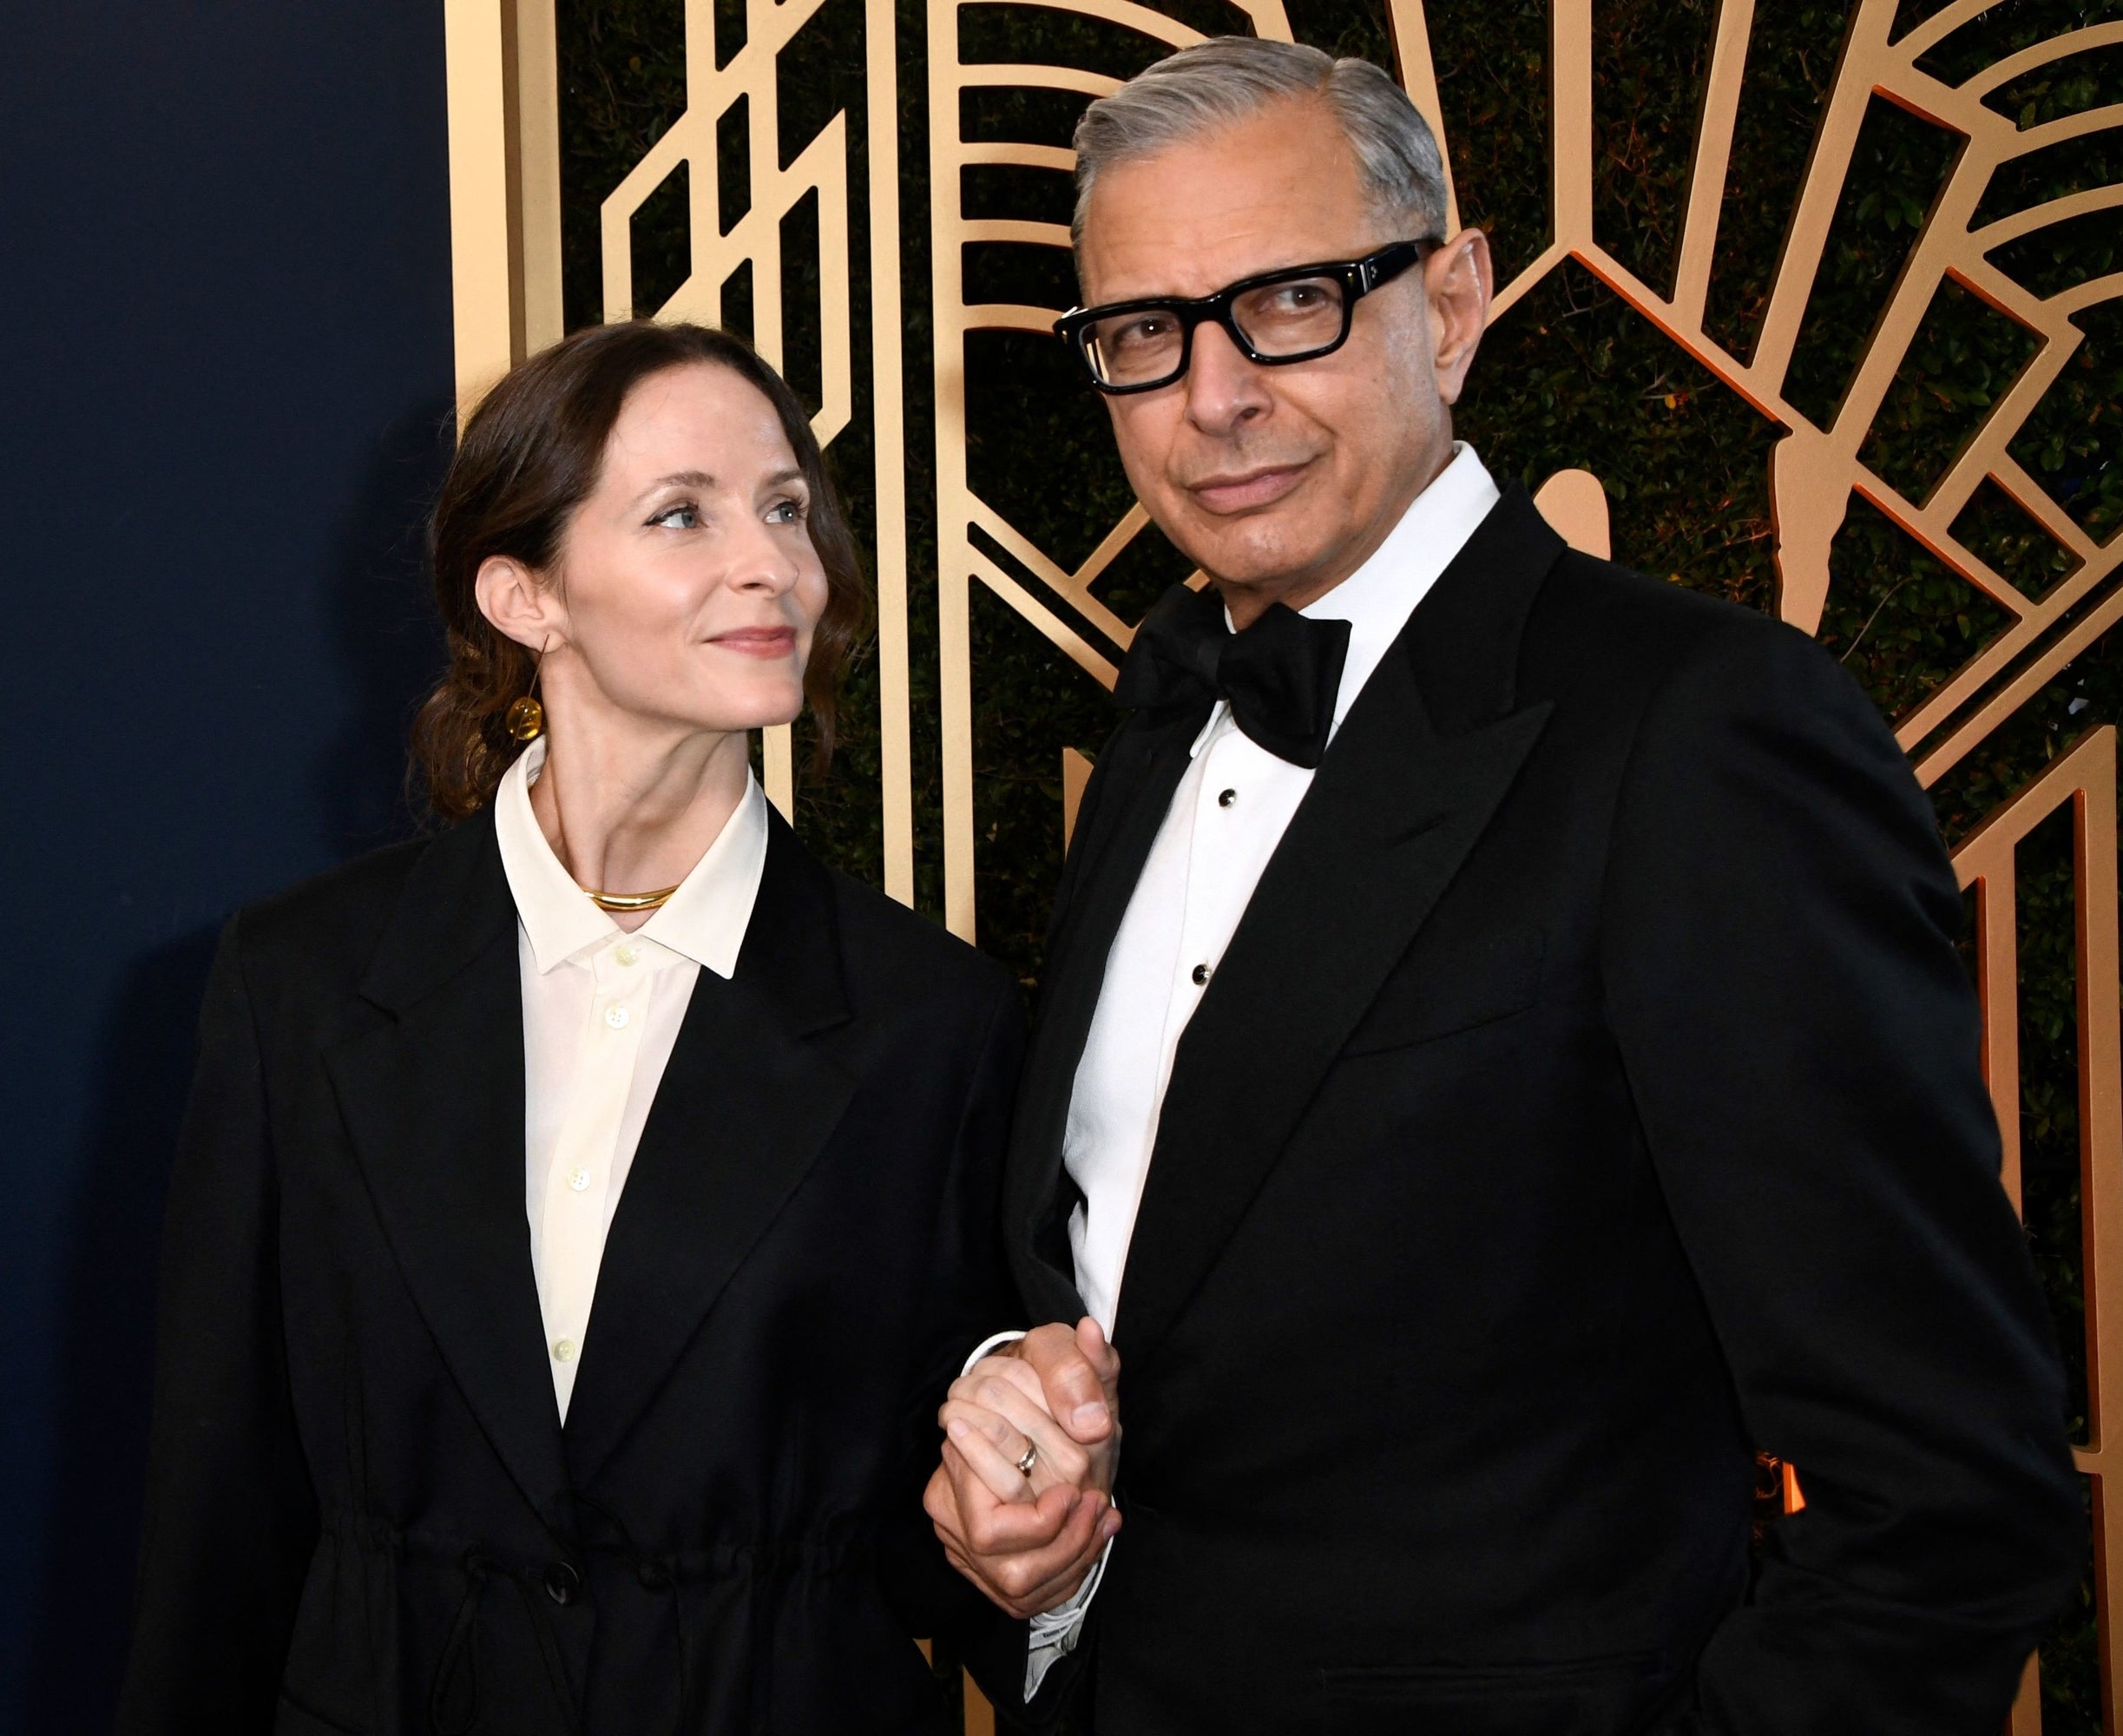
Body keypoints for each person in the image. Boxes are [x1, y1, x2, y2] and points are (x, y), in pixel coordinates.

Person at [923, 36, 2084, 1733]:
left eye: (1292, 299)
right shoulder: (1162, 711)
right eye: (1144, 333)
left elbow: (1945, 1494)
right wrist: (1034, 1524)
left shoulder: (1697, 732)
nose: (1214, 393)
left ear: (1452, 301)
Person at [117, 321, 1028, 1733]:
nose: (771, 564)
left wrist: (1044, 1538)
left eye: (785, 507)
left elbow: (966, 1540)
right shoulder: (300, 982)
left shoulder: (935, 1020)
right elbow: (217, 1503)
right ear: (523, 595)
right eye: (683, 514)